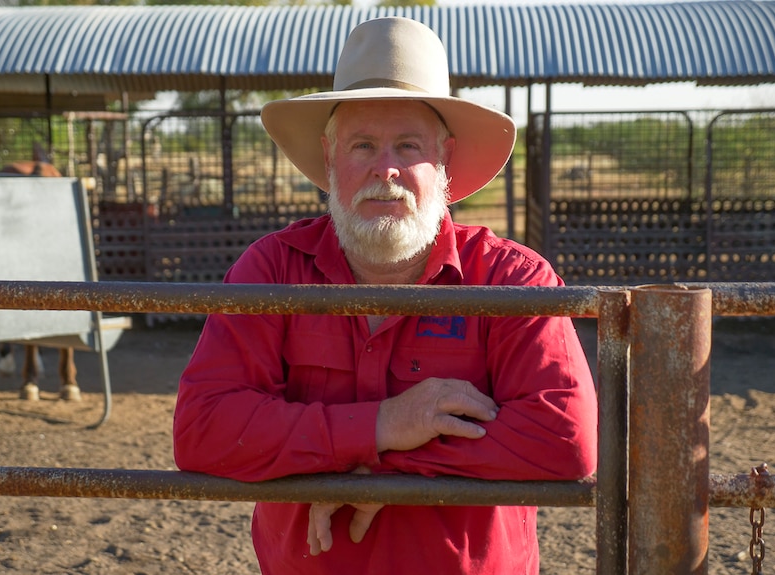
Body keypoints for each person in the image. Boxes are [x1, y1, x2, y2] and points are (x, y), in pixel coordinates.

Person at [174, 16, 598, 575]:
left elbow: (565, 438)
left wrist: (395, 467)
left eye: (408, 145)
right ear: (328, 158)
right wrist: (385, 424)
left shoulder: (511, 279)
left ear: (443, 158)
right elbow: (204, 428)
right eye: (363, 145)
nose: (387, 169)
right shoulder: (272, 268)